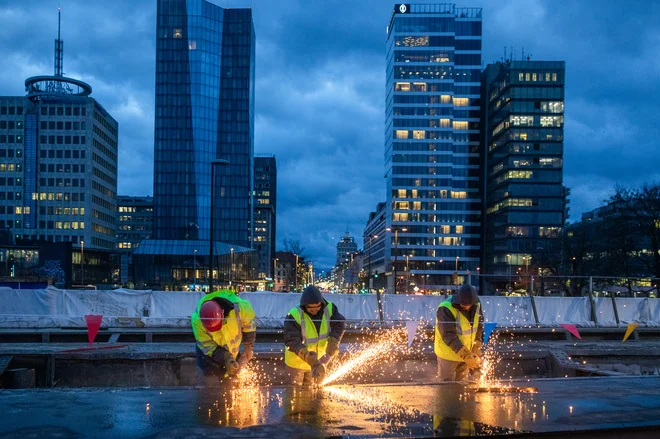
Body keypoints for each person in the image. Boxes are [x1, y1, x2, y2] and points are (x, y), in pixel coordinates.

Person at [284, 285, 345, 386]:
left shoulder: (330, 308)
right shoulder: (294, 314)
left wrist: (333, 342)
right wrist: (306, 355)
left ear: (321, 303)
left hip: (319, 361)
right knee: (293, 395)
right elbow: (291, 340)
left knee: (313, 395)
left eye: (317, 307)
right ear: (304, 305)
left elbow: (339, 325)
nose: (315, 310)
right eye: (311, 309)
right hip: (296, 364)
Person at [191, 289, 256, 384]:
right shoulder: (197, 320)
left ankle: (227, 387)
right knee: (208, 381)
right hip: (208, 354)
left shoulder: (241, 307)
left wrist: (248, 347)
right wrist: (226, 357)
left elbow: (249, 326)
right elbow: (209, 347)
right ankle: (207, 393)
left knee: (231, 380)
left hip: (232, 349)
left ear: (223, 314)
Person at [434, 284, 484, 381]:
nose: (466, 307)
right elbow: (448, 335)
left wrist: (476, 346)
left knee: (462, 386)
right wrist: (465, 354)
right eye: (464, 304)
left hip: (466, 353)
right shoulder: (445, 308)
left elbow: (479, 326)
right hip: (448, 355)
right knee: (446, 387)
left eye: (469, 305)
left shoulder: (476, 304)